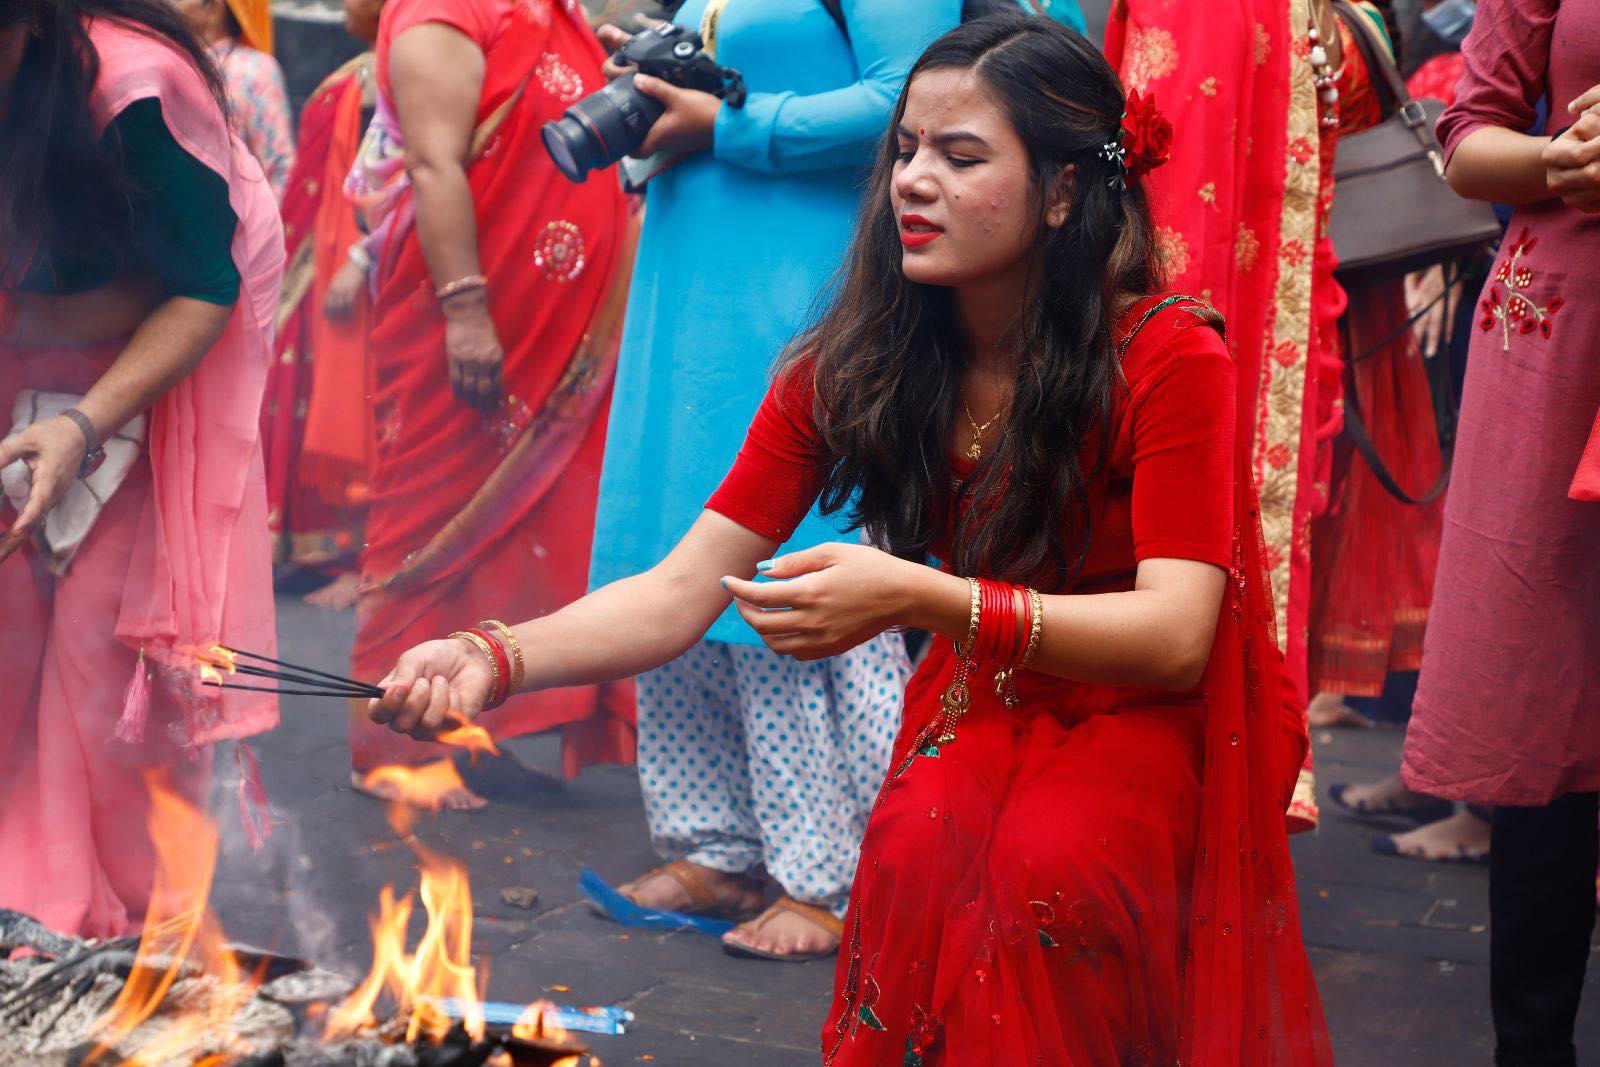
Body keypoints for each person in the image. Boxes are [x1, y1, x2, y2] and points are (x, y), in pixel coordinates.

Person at [370, 16, 1333, 1063]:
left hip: (1144, 707)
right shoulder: (856, 361)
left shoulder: (1166, 354)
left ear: (1063, 193)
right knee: (917, 844)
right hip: (985, 689)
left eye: (961, 158)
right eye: (907, 150)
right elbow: (681, 589)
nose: (913, 182)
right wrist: (490, 654)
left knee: (1051, 865)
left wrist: (922, 599)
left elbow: (1178, 633)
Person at [584, 0, 957, 959]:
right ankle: (713, 842)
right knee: (676, 547)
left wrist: (731, 126)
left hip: (799, 279)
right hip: (691, 281)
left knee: (790, 556)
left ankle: (832, 870)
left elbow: (910, 103)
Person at [0, 0, 283, 938]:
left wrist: (81, 425)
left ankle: (107, 912)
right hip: (24, 336)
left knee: (100, 638)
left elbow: (203, 285)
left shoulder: (130, 90)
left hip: (173, 335)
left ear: (29, 26)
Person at [345, 0, 636, 810]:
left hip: (549, 335)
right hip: (471, 320)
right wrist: (466, 311)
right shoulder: (445, 8)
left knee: (519, 533)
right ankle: (392, 746)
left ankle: (473, 731)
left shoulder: (555, 14)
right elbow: (436, 165)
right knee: (428, 517)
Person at [1105, 0, 1373, 832]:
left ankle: (1222, 759)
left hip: (1248, 73)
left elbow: (1367, 64)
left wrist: (1341, 29)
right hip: (1193, 59)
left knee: (1209, 400)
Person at [1400, 0, 1600, 1060]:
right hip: (1564, 331)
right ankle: (1532, 1044)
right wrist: (1560, 158)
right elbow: (1467, 137)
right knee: (1547, 696)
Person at [261, 0, 382, 612]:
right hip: (313, 253)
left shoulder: (396, 75)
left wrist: (362, 262)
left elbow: (390, 179)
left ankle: (357, 560)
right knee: (294, 389)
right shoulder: (358, 72)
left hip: (361, 262)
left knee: (351, 409)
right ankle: (305, 551)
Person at [174, 0, 295, 200]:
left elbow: (280, 167)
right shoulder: (173, 62)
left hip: (239, 223)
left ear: (213, 8)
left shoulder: (254, 70)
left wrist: (262, 229)